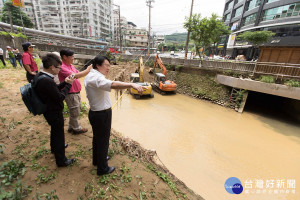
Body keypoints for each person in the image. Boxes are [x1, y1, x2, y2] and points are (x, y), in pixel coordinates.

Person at [84, 56, 144, 176]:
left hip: (97, 113)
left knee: (97, 139)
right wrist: (131, 85)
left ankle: (97, 160)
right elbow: (113, 84)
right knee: (103, 141)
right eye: (106, 65)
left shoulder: (93, 75)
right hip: (101, 115)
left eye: (109, 65)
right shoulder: (95, 78)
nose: (109, 68)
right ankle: (102, 169)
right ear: (98, 66)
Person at [35, 53, 76, 167]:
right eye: (59, 68)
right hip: (53, 111)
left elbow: (54, 90)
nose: (60, 70)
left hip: (47, 110)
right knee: (59, 135)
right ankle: (61, 160)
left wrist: (65, 82)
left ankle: (54, 148)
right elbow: (60, 97)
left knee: (55, 131)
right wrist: (69, 85)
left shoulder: (41, 76)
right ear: (52, 67)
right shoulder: (47, 81)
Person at [58, 49, 92, 134]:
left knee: (76, 110)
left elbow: (78, 73)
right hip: (70, 93)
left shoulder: (70, 65)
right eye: (72, 57)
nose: (73, 58)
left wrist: (87, 72)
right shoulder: (62, 67)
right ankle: (76, 128)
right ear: (64, 57)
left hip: (76, 92)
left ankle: (71, 126)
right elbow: (75, 76)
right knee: (75, 111)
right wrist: (87, 70)